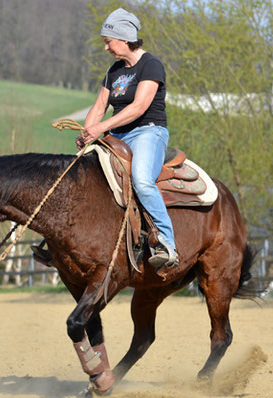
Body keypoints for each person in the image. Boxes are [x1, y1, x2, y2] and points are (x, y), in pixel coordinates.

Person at [77, 7, 178, 268]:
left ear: (123, 38)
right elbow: (99, 106)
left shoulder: (151, 65)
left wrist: (101, 128)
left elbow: (139, 107)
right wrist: (88, 131)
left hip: (148, 131)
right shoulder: (115, 70)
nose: (106, 48)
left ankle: (167, 244)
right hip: (116, 135)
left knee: (142, 181)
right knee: (80, 176)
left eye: (108, 42)